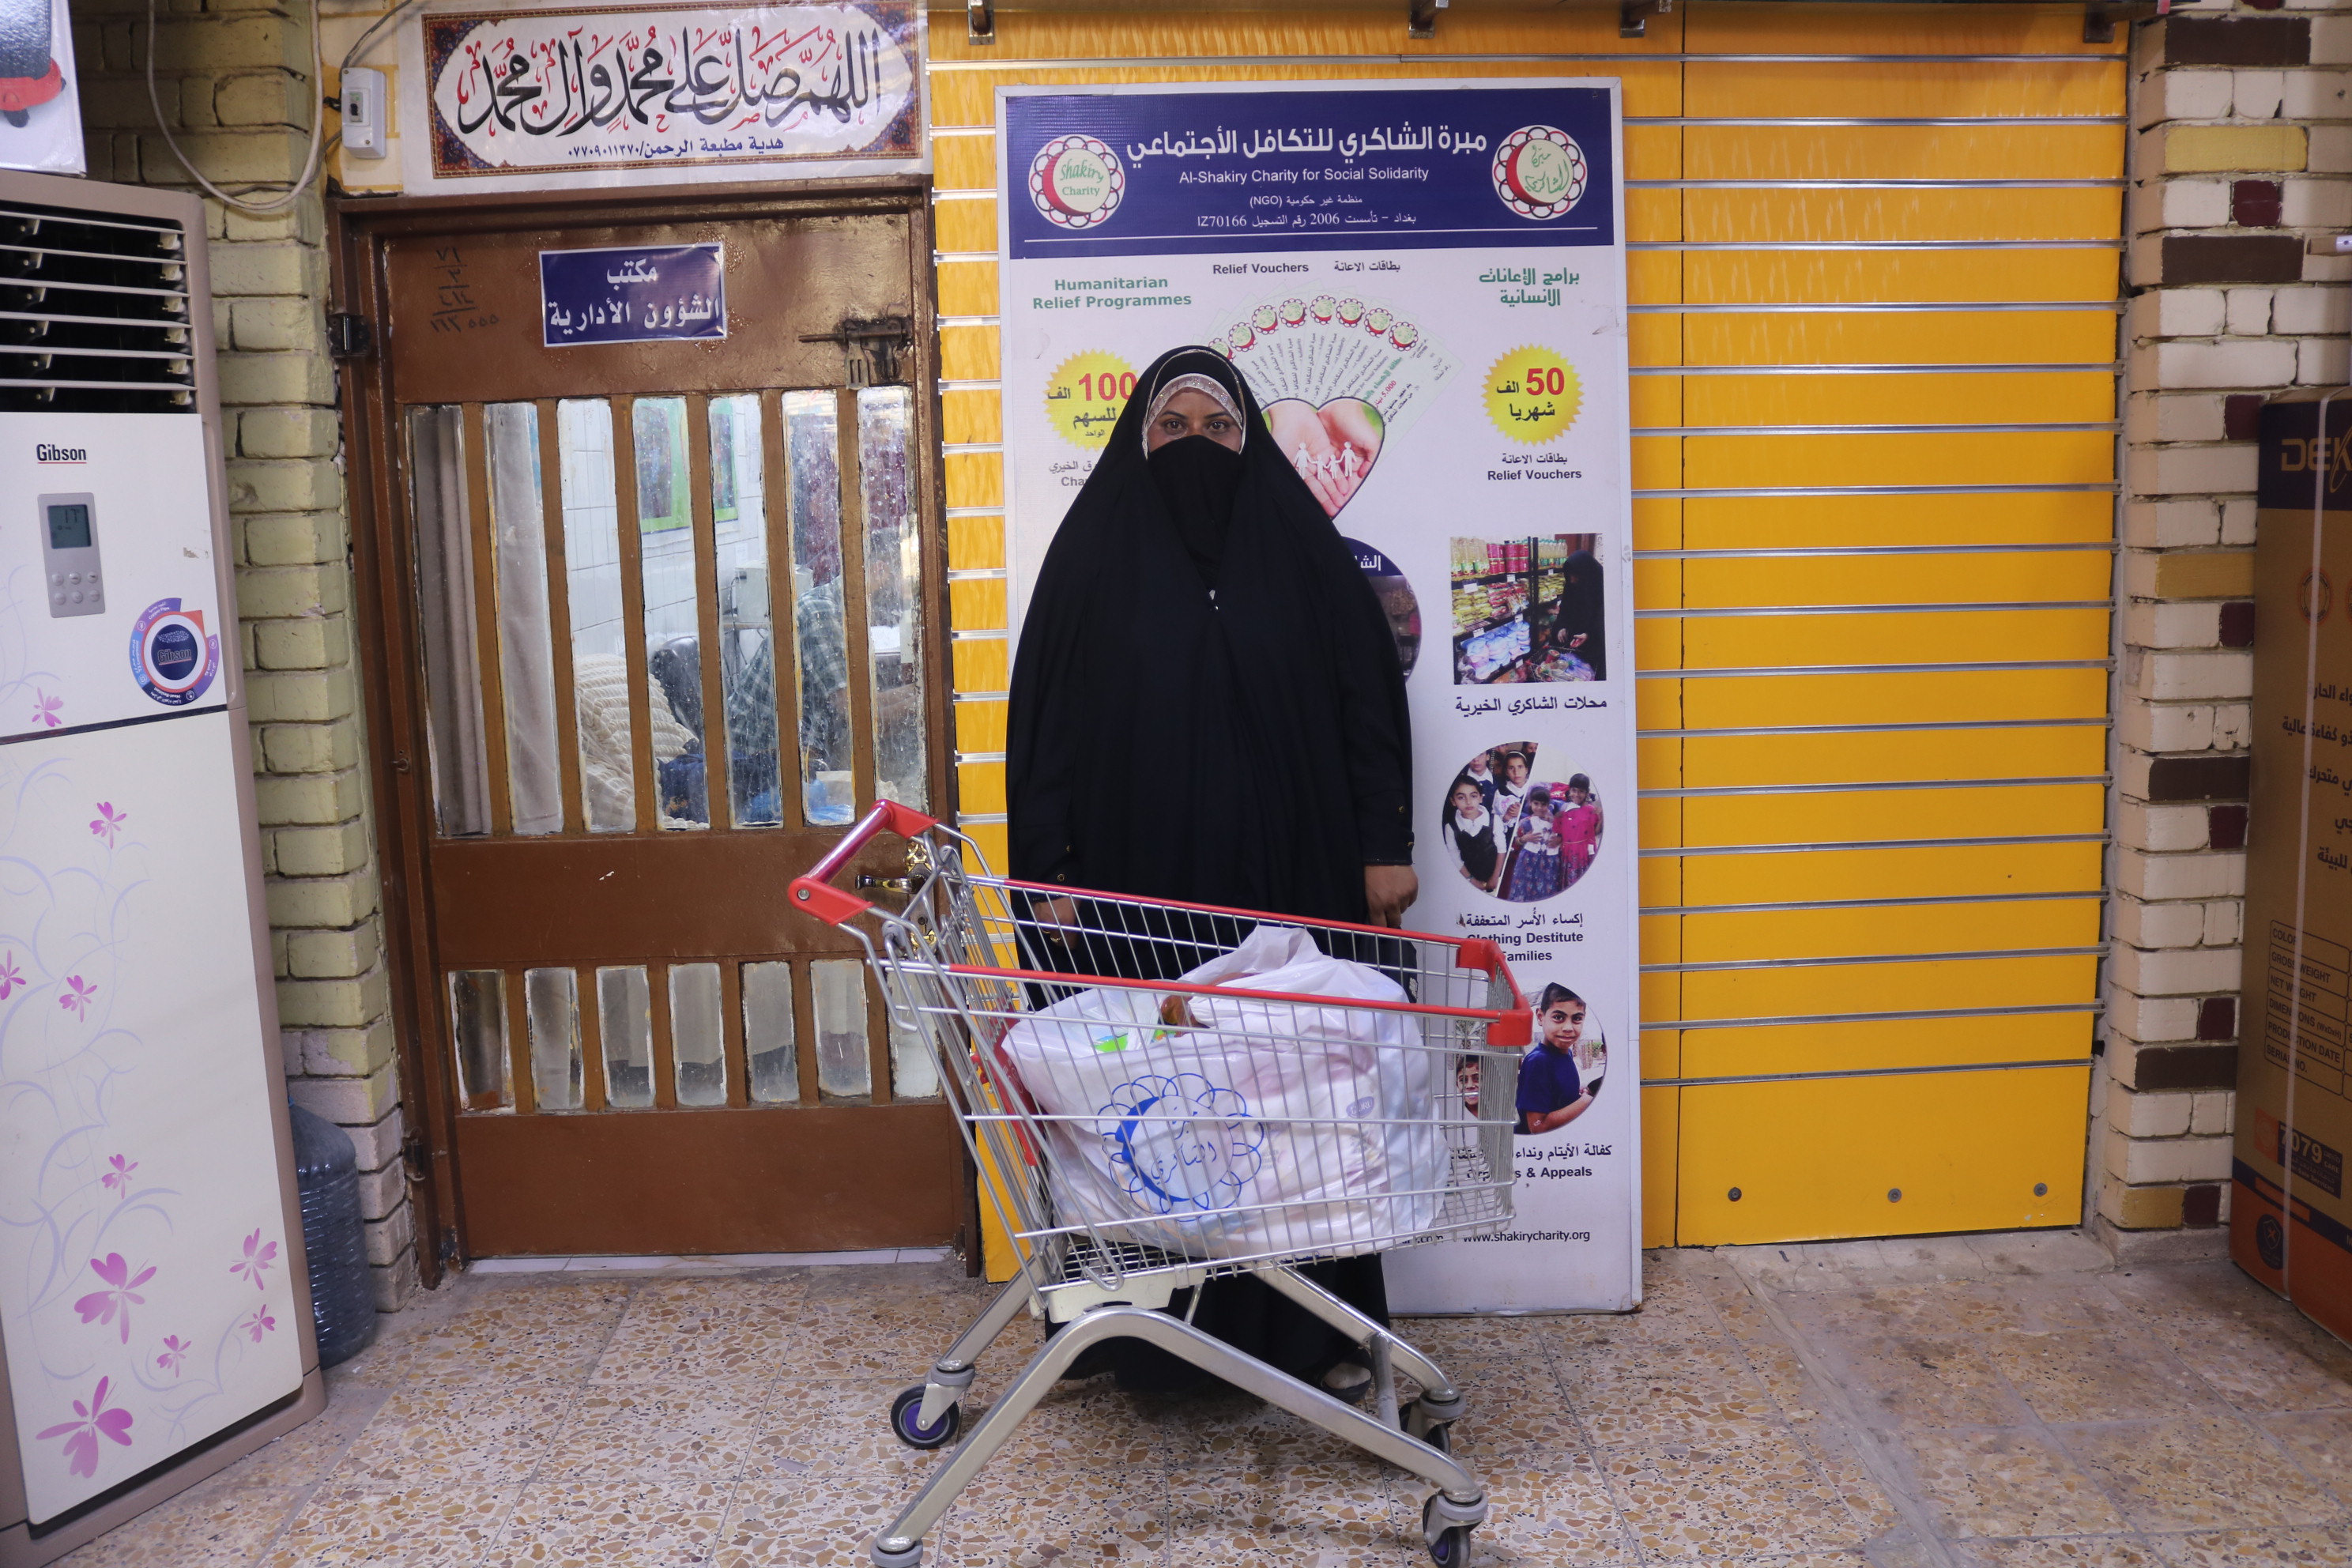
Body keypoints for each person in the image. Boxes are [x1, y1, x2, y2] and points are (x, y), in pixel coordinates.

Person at [1007, 345, 1416, 1401]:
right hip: (1136, 895)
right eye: (1173, 428)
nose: (1198, 445)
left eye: (1220, 429)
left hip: (1292, 888)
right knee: (1157, 1106)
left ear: (1253, 444)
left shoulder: (1303, 558)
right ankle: (1146, 1341)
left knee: (1293, 1102)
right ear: (1138, 443)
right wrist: (1047, 867)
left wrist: (1386, 846)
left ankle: (1310, 1332)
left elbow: (1369, 708)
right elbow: (1046, 730)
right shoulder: (1091, 560)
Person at [1516, 984, 1596, 1136]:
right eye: (1558, 1017)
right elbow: (1537, 1126)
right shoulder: (1538, 1061)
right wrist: (1586, 1101)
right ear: (1540, 1017)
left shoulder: (1565, 1053)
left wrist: (1578, 1095)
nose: (1568, 1027)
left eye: (1577, 1018)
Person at [1544, 548, 1605, 681]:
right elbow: (1565, 609)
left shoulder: (1603, 586)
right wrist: (1562, 626)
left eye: (1576, 576)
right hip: (1572, 636)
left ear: (1585, 573)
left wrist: (1589, 634)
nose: (1571, 580)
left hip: (1594, 639)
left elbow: (1603, 619)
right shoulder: (1571, 586)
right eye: (1569, 575)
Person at [1441, 773, 1502, 895]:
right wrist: (1472, 880)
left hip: (1496, 878)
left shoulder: (1494, 820)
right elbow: (1454, 856)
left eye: (1473, 796)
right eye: (1461, 797)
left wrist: (1495, 877)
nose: (1468, 802)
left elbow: (1501, 849)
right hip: (1467, 880)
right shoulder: (1451, 827)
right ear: (1453, 801)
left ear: (1481, 798)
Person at [1502, 787, 1563, 903]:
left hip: (1549, 863)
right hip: (1528, 862)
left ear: (1549, 804)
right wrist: (1524, 838)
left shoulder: (1556, 823)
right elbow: (1516, 841)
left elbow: (1565, 836)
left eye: (1543, 804)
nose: (1539, 807)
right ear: (1530, 803)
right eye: (1536, 803)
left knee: (1546, 892)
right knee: (1524, 891)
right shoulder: (1525, 822)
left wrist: (1560, 839)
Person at [1559, 773, 1602, 887]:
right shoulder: (1564, 809)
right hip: (1567, 852)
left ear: (1587, 793)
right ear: (1569, 790)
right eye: (1574, 790)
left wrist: (1601, 818)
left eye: (1581, 791)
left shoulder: (1591, 810)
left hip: (1583, 852)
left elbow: (1595, 832)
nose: (1577, 794)